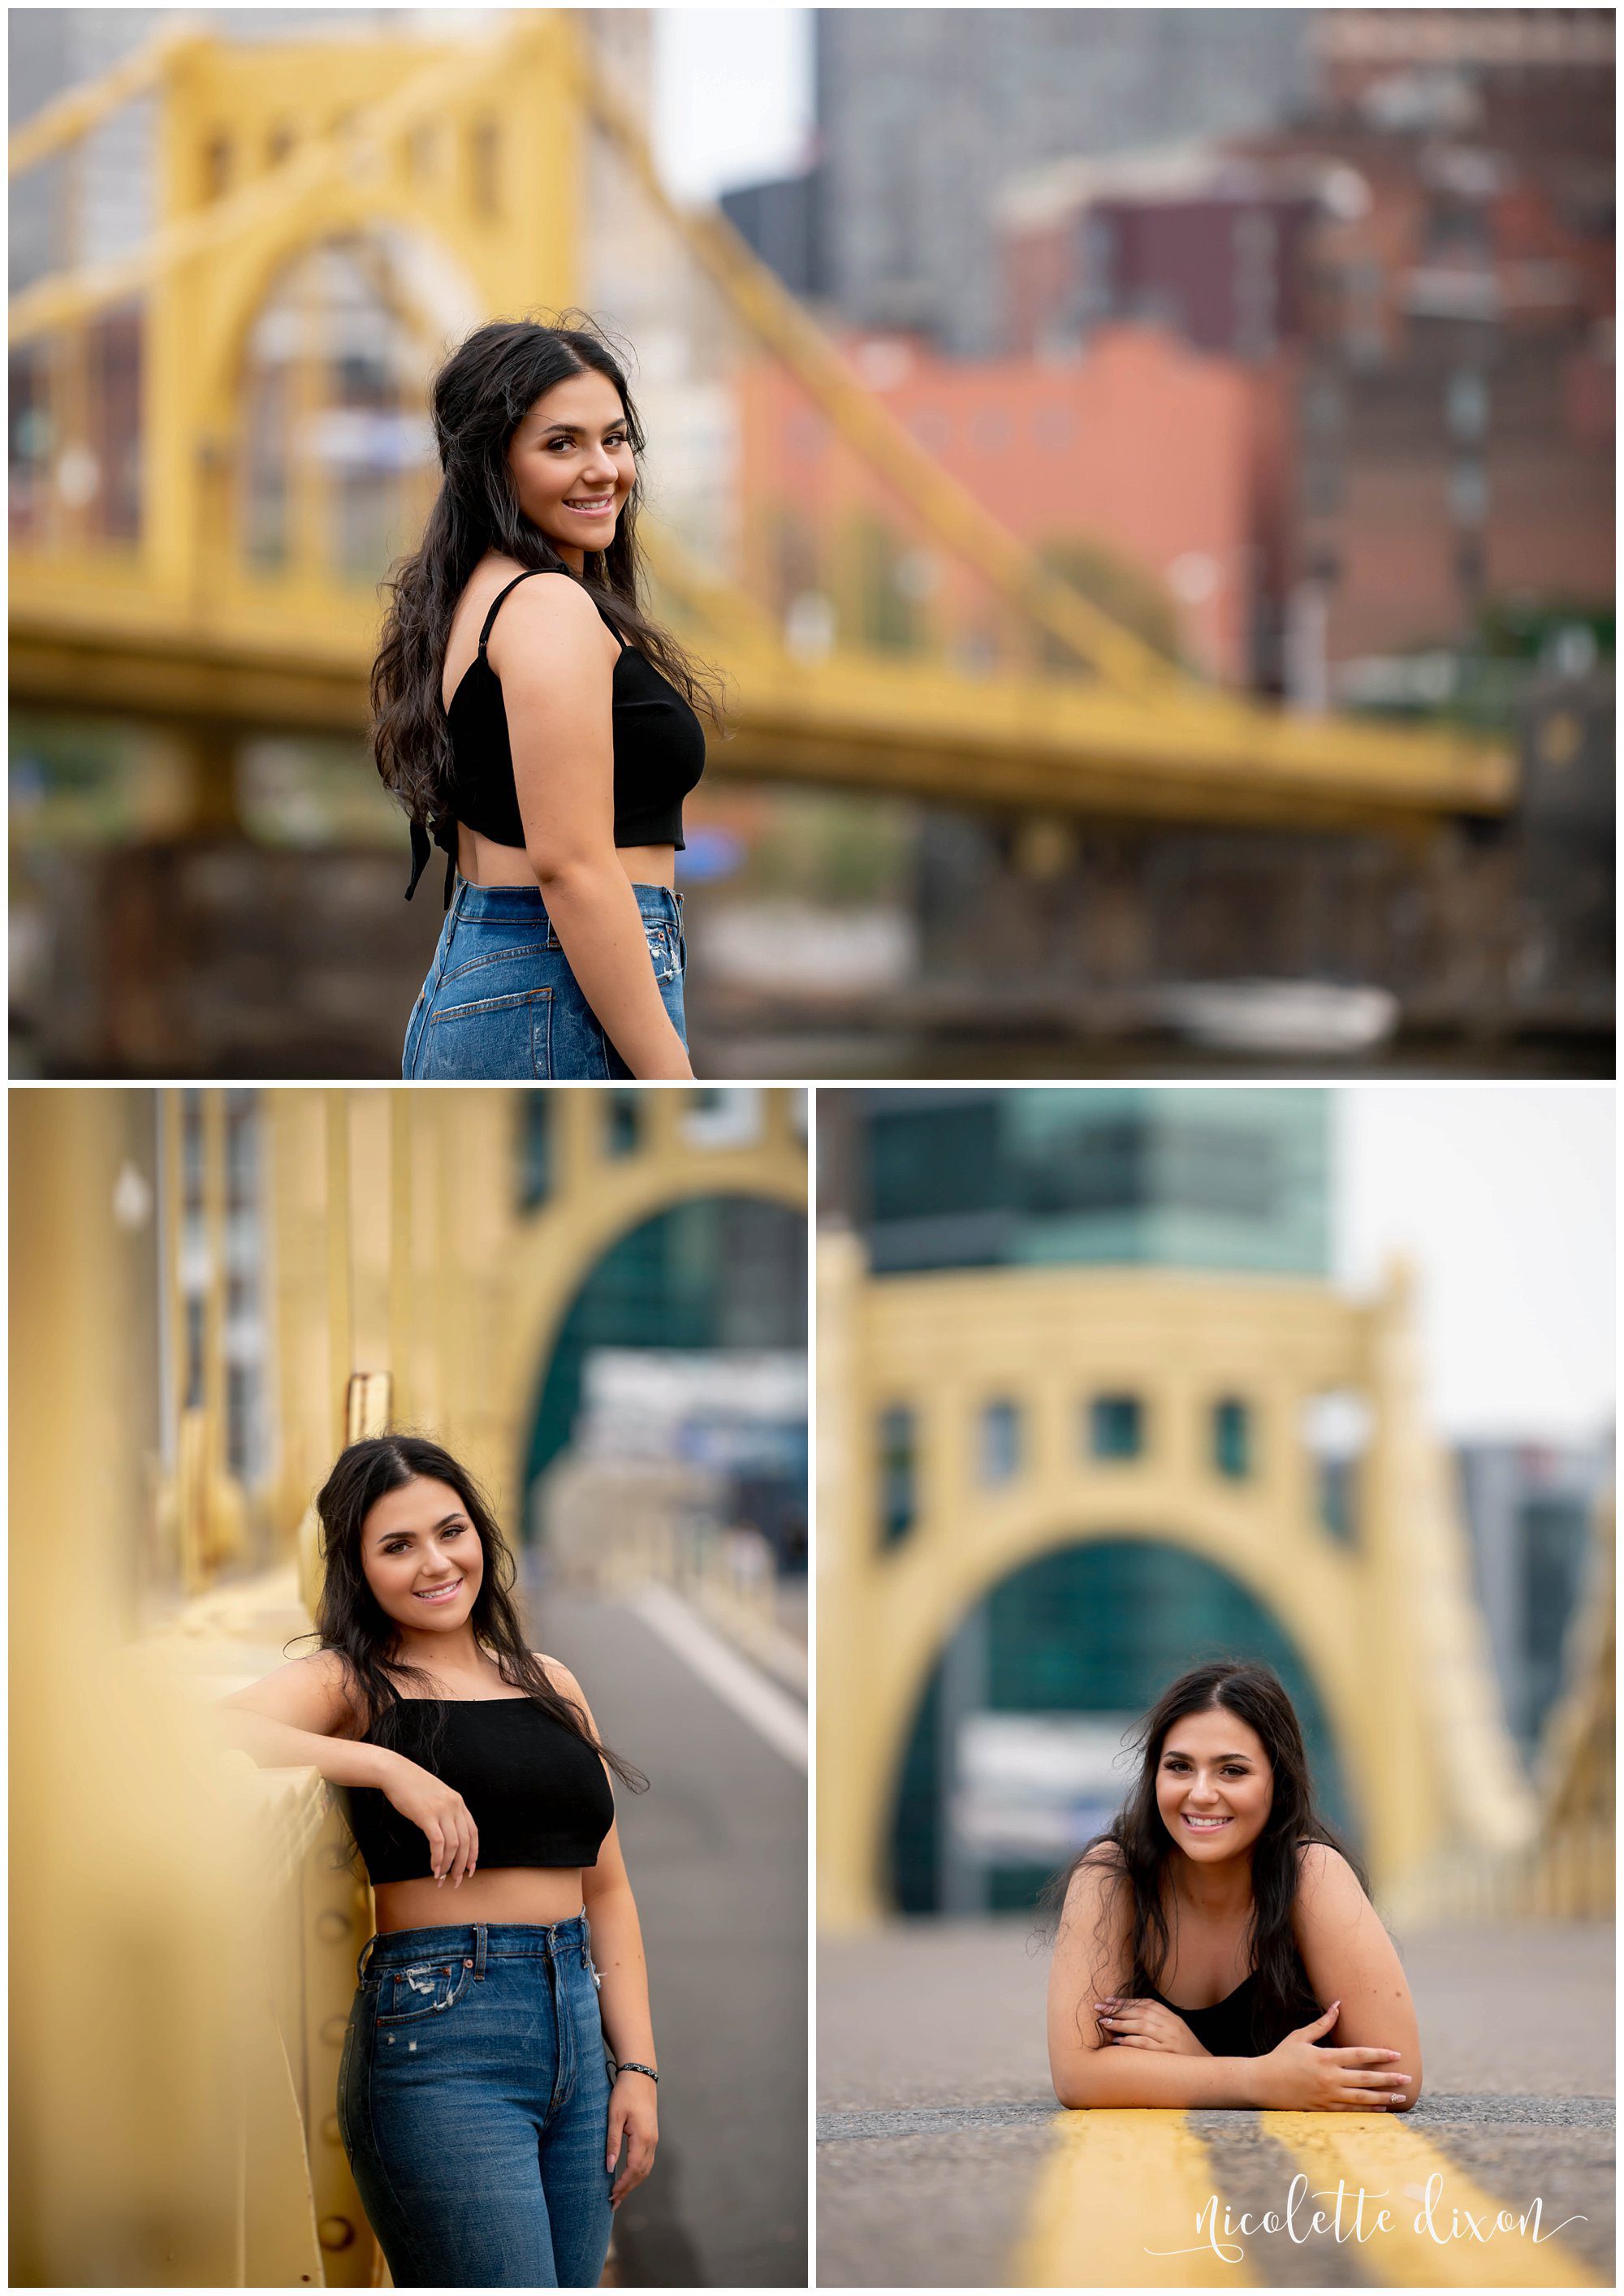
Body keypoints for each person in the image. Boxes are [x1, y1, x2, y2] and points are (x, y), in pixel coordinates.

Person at [219, 1435, 658, 2287]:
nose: (434, 1562)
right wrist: (384, 1762)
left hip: (575, 2024)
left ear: (480, 1535)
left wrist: (636, 2067)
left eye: (449, 1530)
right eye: (397, 1545)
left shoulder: (550, 1682)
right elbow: (220, 1722)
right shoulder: (353, 1681)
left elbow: (605, 1886)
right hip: (442, 2038)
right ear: (358, 1566)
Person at [372, 316, 720, 1081]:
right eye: (561, 444)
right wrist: (674, 1081)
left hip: (513, 977)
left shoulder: (482, 594)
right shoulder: (545, 608)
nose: (603, 470)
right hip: (555, 982)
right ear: (491, 465)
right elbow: (571, 867)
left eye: (615, 439)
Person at [1046, 1659, 1423, 2112]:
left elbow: (1394, 2080)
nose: (1201, 1793)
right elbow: (1077, 2076)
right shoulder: (1111, 1876)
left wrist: (1197, 2064)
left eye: (1232, 1771)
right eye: (1180, 1767)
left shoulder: (1312, 1874)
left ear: (1279, 1786)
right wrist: (1260, 2079)